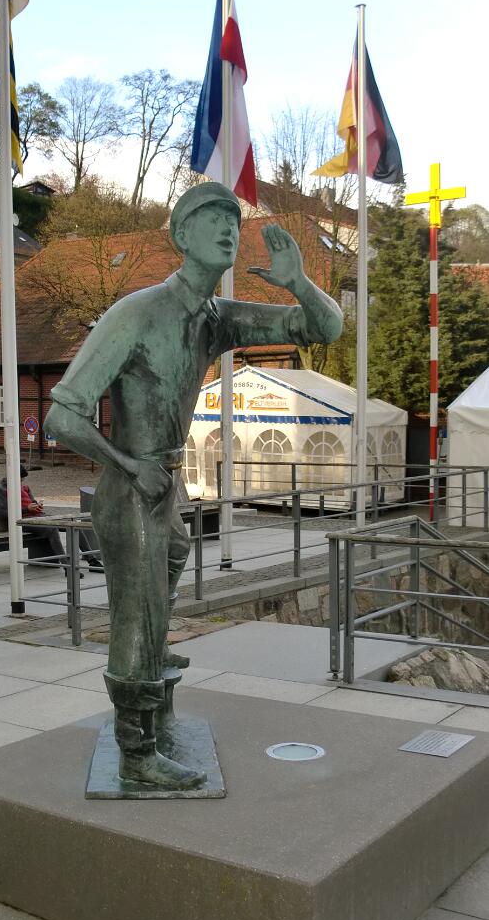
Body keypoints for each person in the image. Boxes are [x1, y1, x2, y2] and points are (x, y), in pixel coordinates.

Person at [45, 181, 342, 789]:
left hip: (165, 488)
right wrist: (129, 466)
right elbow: (62, 416)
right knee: (138, 619)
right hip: (132, 489)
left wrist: (299, 283)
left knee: (168, 578)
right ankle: (136, 754)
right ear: (182, 235)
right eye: (213, 218)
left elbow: (326, 328)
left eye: (234, 219)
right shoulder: (136, 313)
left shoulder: (215, 318)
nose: (229, 228)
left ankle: (159, 704)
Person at [0, 467, 102, 572]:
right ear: (12, 476)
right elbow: (3, 513)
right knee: (52, 529)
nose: (21, 482)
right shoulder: (1, 490)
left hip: (39, 517)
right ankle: (67, 566)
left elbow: (32, 503)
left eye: (22, 480)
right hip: (22, 522)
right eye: (20, 479)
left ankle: (91, 559)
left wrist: (37, 506)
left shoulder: (25, 488)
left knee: (72, 524)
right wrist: (27, 509)